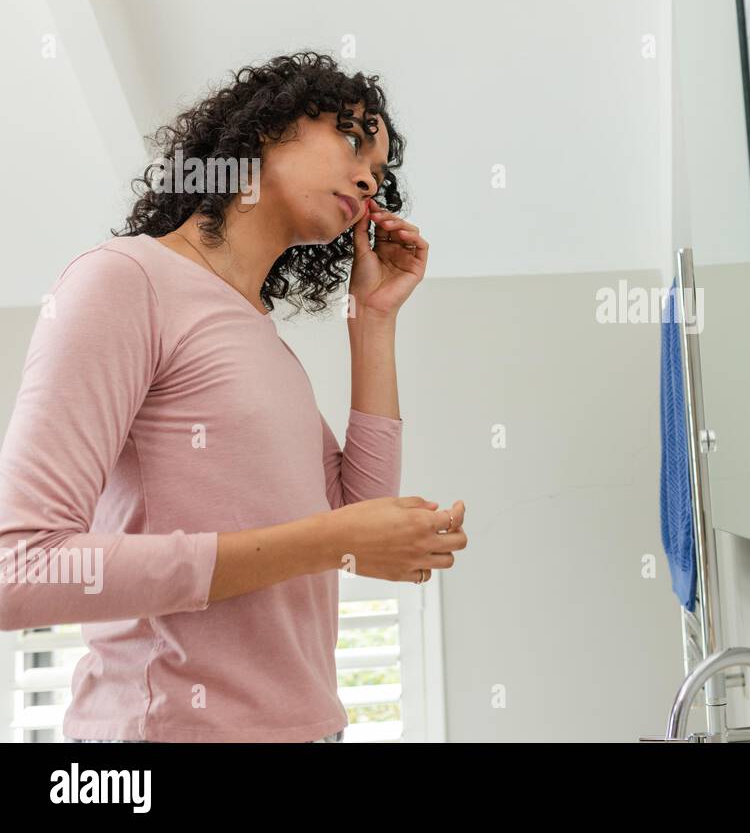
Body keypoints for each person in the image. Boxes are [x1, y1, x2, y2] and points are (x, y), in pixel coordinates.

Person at [0, 51, 467, 742]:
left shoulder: (261, 343)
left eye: (380, 168)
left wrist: (373, 319)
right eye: (351, 136)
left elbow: (353, 530)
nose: (369, 175)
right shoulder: (125, 281)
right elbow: (21, 568)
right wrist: (324, 538)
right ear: (268, 126)